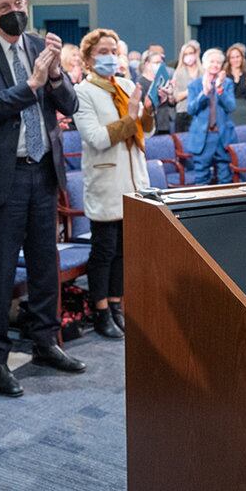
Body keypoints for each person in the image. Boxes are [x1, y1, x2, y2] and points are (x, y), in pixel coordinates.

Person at [0, 0, 85, 397]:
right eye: (6, 7)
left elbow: (69, 103)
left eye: (19, 3)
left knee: (45, 264)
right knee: (1, 271)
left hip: (42, 170)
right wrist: (30, 84)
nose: (16, 12)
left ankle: (45, 341)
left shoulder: (39, 45)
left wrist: (52, 78)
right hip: (2, 176)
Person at [73, 28, 155, 339]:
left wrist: (148, 111)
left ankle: (118, 305)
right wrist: (131, 118)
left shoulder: (126, 84)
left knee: (124, 249)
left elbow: (145, 128)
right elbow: (95, 138)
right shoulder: (83, 92)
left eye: (114, 50)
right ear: (89, 58)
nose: (110, 56)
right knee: (104, 249)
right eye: (103, 51)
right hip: (106, 179)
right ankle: (101, 310)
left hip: (133, 176)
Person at [185, 48, 234, 184]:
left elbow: (231, 107)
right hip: (203, 137)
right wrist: (204, 93)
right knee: (201, 178)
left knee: (225, 177)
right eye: (212, 61)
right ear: (204, 63)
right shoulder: (194, 85)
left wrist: (219, 89)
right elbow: (190, 109)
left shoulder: (227, 83)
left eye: (218, 62)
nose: (215, 65)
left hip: (222, 136)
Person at [138, 50, 175, 134]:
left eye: (161, 63)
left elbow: (172, 104)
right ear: (147, 64)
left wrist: (170, 95)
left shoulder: (164, 80)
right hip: (149, 127)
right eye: (156, 62)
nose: (159, 65)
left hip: (164, 125)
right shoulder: (140, 83)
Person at [171, 41, 202, 133]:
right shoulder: (178, 73)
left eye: (191, 53)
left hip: (200, 113)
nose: (189, 56)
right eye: (186, 54)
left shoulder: (203, 72)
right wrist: (191, 90)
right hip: (183, 113)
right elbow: (176, 97)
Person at [224, 44, 246, 126]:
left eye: (238, 57)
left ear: (242, 58)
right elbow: (227, 95)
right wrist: (235, 81)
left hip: (245, 111)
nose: (235, 60)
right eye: (232, 57)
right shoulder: (225, 74)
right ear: (229, 59)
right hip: (230, 111)